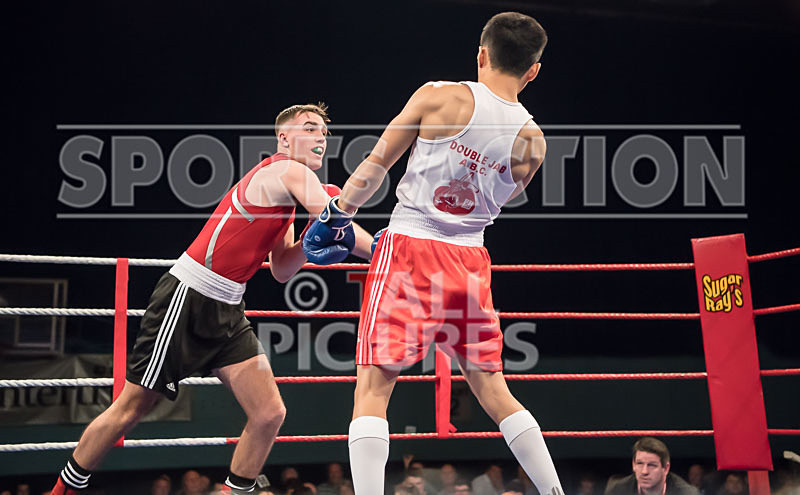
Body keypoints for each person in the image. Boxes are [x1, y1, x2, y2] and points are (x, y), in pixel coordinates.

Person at [49, 103, 373, 495]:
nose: (321, 136)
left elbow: (284, 268)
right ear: (284, 138)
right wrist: (386, 251)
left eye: (325, 131)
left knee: (269, 413)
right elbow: (337, 219)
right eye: (310, 128)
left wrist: (312, 237)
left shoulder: (289, 199)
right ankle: (60, 492)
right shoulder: (286, 170)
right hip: (188, 296)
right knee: (132, 407)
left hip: (228, 309)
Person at [301, 11, 560, 495]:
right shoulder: (534, 142)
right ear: (533, 71)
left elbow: (376, 167)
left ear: (481, 54)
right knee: (492, 389)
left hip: (409, 245)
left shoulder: (439, 96)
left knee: (374, 387)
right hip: (470, 259)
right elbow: (493, 199)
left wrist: (337, 212)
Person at [604, 437, 698, 495]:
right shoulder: (617, 490)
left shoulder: (686, 493)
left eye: (652, 465)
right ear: (633, 465)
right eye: (640, 463)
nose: (644, 471)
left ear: (666, 468)